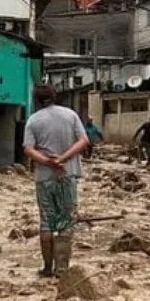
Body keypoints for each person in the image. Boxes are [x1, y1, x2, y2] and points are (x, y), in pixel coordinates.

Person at [23, 84, 90, 278]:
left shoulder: (33, 120)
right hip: (67, 175)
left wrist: (48, 162)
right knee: (66, 222)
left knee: (46, 221)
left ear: (36, 100)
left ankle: (46, 268)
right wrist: (63, 159)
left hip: (44, 178)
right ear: (54, 97)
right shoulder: (70, 115)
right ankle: (62, 270)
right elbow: (83, 141)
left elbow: (28, 149)